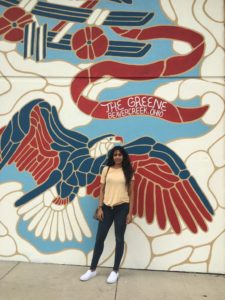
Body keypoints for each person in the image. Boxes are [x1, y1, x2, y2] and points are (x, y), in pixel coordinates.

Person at [80, 145, 134, 284]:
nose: (117, 156)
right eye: (115, 154)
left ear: (123, 156)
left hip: (122, 208)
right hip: (107, 208)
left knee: (119, 239)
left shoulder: (128, 171)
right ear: (112, 156)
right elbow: (102, 190)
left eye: (120, 154)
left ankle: (115, 271)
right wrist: (100, 208)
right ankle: (92, 270)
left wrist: (130, 212)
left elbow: (131, 193)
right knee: (99, 239)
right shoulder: (106, 169)